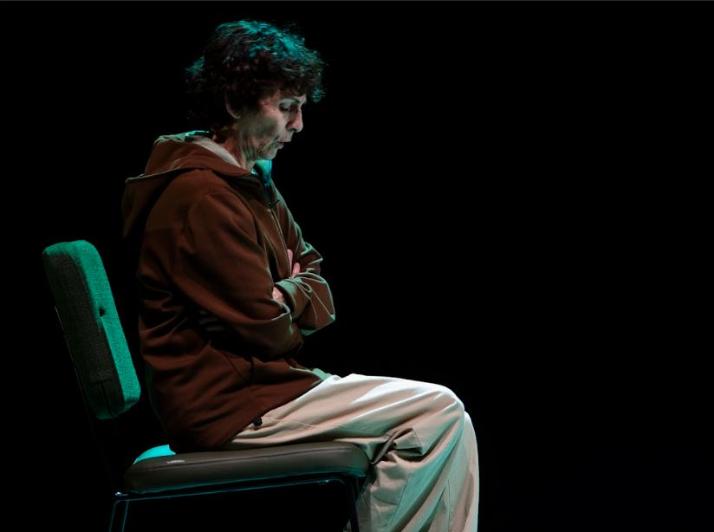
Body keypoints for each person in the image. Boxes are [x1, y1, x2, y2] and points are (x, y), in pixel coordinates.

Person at [121, 19, 478, 531]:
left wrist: (283, 293)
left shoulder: (252, 181)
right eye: (287, 107)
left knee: (446, 420)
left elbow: (314, 274)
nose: (299, 125)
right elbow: (268, 331)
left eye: (301, 107)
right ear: (235, 104)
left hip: (266, 388)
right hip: (230, 405)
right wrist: (287, 303)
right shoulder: (200, 196)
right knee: (435, 412)